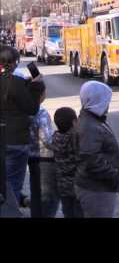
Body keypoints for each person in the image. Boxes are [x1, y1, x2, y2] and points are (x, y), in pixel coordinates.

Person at [0, 46, 41, 211]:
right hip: (15, 140)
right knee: (13, 186)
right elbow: (32, 108)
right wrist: (36, 88)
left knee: (4, 185)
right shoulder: (16, 83)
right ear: (15, 63)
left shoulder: (17, 83)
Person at [74, 81, 119, 218]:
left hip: (97, 187)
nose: (108, 105)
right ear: (97, 101)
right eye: (106, 101)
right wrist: (114, 176)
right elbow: (91, 160)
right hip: (96, 190)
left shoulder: (92, 119)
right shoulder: (90, 126)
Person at [28, 80, 60, 218]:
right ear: (41, 94)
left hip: (30, 156)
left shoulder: (23, 109)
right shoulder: (41, 113)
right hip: (45, 159)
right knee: (49, 197)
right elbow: (46, 140)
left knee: (35, 193)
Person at [51, 107, 84, 218]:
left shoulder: (55, 137)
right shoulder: (75, 139)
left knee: (68, 212)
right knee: (79, 212)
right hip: (77, 185)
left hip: (62, 185)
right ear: (74, 122)